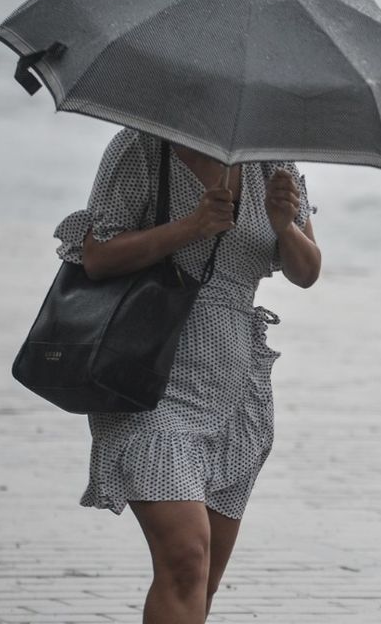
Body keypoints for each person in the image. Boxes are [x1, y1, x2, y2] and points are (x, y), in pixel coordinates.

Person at [54, 128, 321, 622]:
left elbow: (306, 271)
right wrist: (191, 227)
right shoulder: (140, 148)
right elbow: (95, 256)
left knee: (203, 581)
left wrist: (285, 226)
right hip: (147, 379)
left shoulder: (273, 163)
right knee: (185, 560)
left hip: (237, 391)